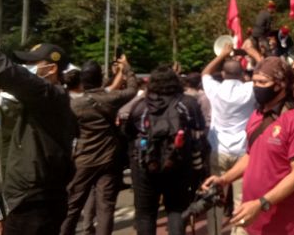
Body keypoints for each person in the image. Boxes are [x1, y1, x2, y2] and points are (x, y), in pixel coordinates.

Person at [200, 57, 294, 235]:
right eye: (253, 81)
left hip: (281, 223)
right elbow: (251, 155)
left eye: (262, 82)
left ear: (280, 85)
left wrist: (262, 203)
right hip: (249, 217)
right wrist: (225, 179)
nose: (256, 87)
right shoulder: (257, 115)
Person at [0, 44, 78, 234]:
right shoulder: (37, 103)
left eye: (32, 63)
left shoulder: (51, 97)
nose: (26, 67)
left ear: (52, 68)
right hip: (24, 199)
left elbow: (10, 74)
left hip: (34, 203)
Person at [125, 66, 207, 235]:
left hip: (145, 167)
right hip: (179, 165)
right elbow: (199, 133)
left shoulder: (141, 106)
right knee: (177, 210)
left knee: (145, 214)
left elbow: (128, 133)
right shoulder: (188, 103)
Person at [60, 58, 138, 235]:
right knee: (106, 206)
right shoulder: (111, 98)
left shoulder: (74, 105)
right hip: (110, 158)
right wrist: (127, 69)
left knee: (73, 204)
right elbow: (132, 89)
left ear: (82, 80)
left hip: (84, 159)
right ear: (100, 77)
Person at [201, 43, 256, 235]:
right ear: (242, 74)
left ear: (223, 74)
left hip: (218, 150)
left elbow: (205, 73)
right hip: (243, 153)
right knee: (241, 200)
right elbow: (270, 73)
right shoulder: (249, 90)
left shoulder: (215, 89)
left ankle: (215, 231)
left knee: (215, 196)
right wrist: (252, 52)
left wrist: (222, 55)